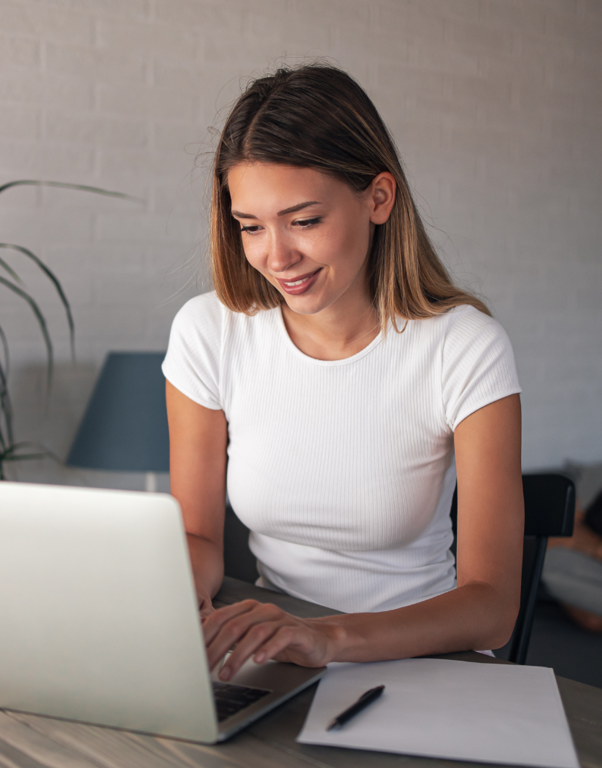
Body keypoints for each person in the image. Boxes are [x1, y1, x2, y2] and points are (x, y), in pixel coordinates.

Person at [161, 63, 524, 682]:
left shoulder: (465, 347)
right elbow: (196, 540)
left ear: (378, 198)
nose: (277, 257)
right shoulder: (209, 332)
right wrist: (163, 597)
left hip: (428, 663)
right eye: (250, 227)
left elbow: (491, 607)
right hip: (279, 658)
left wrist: (324, 637)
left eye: (304, 221)